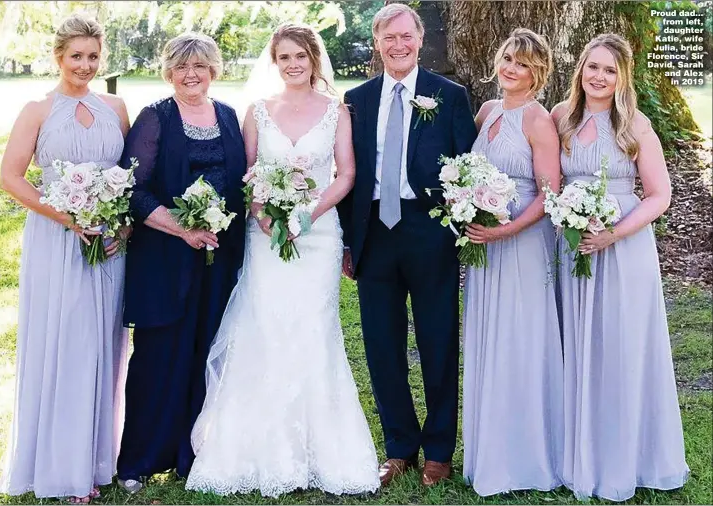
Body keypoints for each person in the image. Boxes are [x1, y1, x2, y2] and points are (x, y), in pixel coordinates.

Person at [184, 24, 379, 498]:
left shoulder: (337, 111)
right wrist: (263, 213)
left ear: (314, 59)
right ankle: (256, 448)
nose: (293, 64)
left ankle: (322, 450)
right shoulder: (258, 112)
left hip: (318, 234)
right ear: (275, 61)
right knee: (266, 328)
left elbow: (347, 173)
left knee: (314, 330)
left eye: (301, 56)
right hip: (266, 234)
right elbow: (247, 174)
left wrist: (306, 215)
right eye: (284, 57)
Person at [338, 3, 477, 487]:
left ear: (419, 38)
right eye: (387, 38)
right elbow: (347, 174)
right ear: (377, 43)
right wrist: (347, 242)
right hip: (374, 230)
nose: (398, 45)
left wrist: (458, 229)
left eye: (405, 36)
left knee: (438, 340)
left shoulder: (450, 95)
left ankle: (439, 449)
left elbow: (467, 167)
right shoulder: (356, 98)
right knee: (381, 342)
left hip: (429, 229)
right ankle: (399, 445)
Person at [0, 13, 130, 503]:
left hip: (109, 244)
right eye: (76, 56)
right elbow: (11, 178)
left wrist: (123, 223)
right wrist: (69, 218)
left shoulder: (116, 107)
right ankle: (60, 466)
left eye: (94, 56)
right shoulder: (37, 109)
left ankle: (97, 461)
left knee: (103, 343)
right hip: (58, 240)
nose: (86, 65)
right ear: (58, 57)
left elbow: (127, 177)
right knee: (65, 342)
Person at [551, 33, 689, 501]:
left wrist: (614, 232)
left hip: (623, 249)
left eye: (610, 70)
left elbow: (660, 195)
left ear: (622, 77)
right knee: (576, 345)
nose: (599, 77)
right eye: (593, 67)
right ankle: (577, 452)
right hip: (573, 247)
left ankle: (624, 456)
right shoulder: (561, 119)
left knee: (620, 348)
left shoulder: (635, 125)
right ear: (580, 70)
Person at [115, 32, 247, 493]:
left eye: (201, 66)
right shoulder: (156, 118)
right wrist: (182, 227)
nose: (191, 75)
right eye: (181, 67)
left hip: (220, 258)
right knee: (158, 355)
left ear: (214, 69)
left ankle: (191, 455)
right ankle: (139, 459)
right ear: (168, 71)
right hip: (164, 257)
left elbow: (243, 182)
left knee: (205, 351)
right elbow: (132, 188)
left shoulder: (229, 117)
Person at [461, 28, 563, 496]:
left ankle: (526, 457)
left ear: (536, 72)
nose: (510, 68)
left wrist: (505, 229)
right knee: (490, 338)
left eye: (521, 63)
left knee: (521, 339)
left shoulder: (538, 120)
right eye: (506, 58)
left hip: (521, 241)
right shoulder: (486, 111)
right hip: (485, 246)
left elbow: (549, 193)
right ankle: (490, 450)